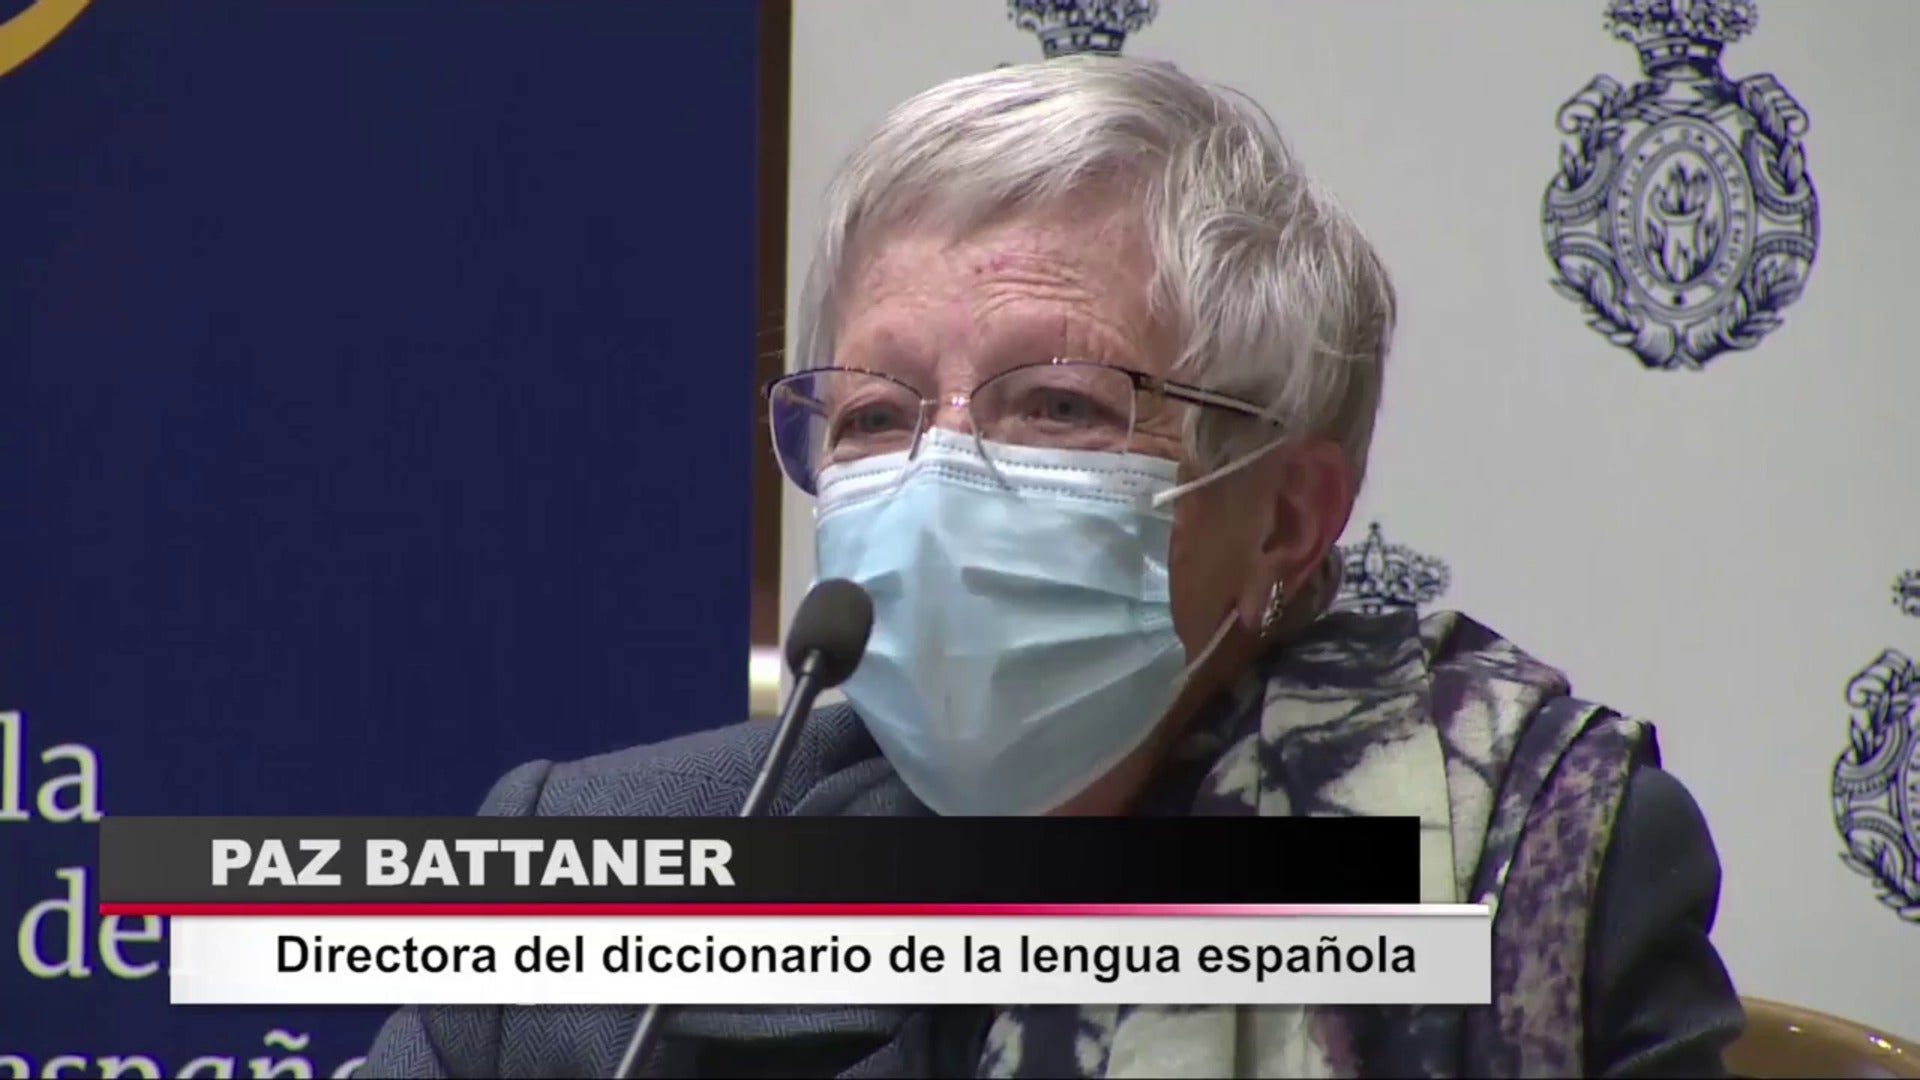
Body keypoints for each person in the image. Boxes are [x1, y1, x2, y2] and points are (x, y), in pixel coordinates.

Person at [363, 56, 1743, 1078]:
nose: (937, 483)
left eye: (1060, 405)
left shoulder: (1528, 867)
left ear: (1284, 517)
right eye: (876, 417)